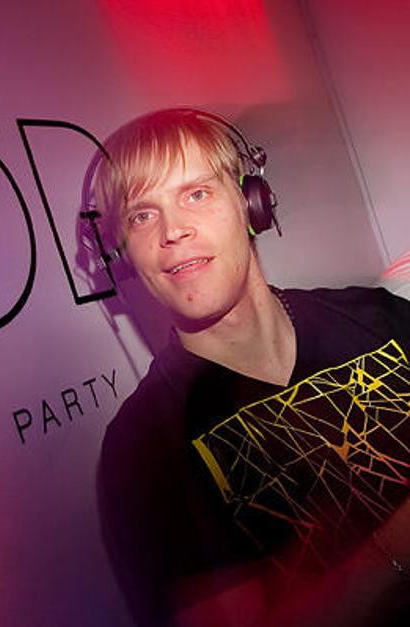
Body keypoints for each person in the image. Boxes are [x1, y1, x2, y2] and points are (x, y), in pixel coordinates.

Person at [92, 108, 410, 626]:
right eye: (142, 215)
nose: (173, 231)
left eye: (197, 194)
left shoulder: (379, 315)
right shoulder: (144, 447)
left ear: (252, 202)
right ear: (123, 254)